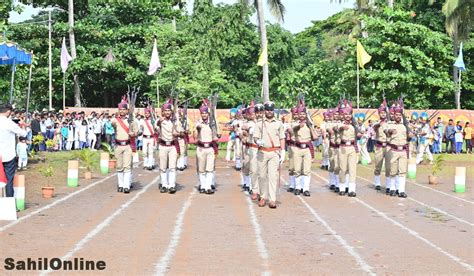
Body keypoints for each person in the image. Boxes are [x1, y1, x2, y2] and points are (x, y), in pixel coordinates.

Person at [253, 101, 285, 208]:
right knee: (262, 176)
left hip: (274, 152)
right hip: (262, 152)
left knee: (272, 176)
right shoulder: (259, 123)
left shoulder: (279, 123)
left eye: (271, 110)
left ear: (273, 111)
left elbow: (282, 138)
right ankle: (262, 196)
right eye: (267, 110)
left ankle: (272, 199)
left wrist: (283, 151)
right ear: (264, 111)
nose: (269, 112)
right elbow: (255, 137)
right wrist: (258, 141)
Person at [288, 102, 317, 196]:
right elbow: (292, 131)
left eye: (303, 114)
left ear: (306, 115)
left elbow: (315, 137)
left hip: (307, 148)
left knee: (307, 170)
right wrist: (298, 126)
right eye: (300, 114)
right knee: (297, 169)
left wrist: (310, 126)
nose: (301, 115)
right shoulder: (294, 123)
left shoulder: (309, 124)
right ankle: (297, 187)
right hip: (297, 148)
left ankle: (305, 189)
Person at [385, 100, 412, 198]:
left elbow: (409, 138)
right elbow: (386, 131)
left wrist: (410, 136)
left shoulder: (405, 126)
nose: (398, 116)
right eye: (396, 115)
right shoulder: (390, 124)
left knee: (402, 171)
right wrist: (390, 131)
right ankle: (392, 188)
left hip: (403, 151)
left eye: (399, 115)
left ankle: (401, 190)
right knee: (393, 171)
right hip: (394, 150)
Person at [0, 103, 27, 197]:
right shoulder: (9, 123)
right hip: (8, 155)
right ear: (8, 112)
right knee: (9, 180)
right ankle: (9, 203)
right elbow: (23, 133)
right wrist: (23, 125)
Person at [112, 97, 139, 193]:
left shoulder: (132, 121)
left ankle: (126, 186)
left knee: (127, 166)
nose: (122, 111)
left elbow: (137, 132)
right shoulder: (115, 120)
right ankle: (120, 184)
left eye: (124, 109)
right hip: (118, 145)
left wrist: (134, 134)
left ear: (127, 110)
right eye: (120, 109)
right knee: (119, 166)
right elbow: (113, 127)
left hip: (128, 145)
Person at [335, 100, 360, 197]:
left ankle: (351, 189)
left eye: (349, 114)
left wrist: (360, 134)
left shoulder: (354, 125)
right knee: (343, 168)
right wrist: (342, 128)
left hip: (352, 148)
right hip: (343, 148)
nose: (348, 116)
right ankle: (342, 187)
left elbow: (358, 134)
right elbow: (337, 129)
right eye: (346, 114)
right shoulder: (340, 123)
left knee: (352, 169)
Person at [194, 99, 219, 194]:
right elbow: (195, 136)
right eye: (202, 113)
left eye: (205, 113)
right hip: (201, 148)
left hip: (210, 148)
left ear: (208, 113)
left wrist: (216, 135)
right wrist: (197, 129)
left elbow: (218, 134)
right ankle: (203, 186)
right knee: (201, 168)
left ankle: (208, 186)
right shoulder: (198, 123)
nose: (204, 115)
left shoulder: (213, 123)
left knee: (210, 168)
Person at [157, 100, 181, 194]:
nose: (167, 112)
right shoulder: (159, 121)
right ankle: (164, 185)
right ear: (163, 112)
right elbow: (156, 130)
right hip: (163, 145)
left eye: (169, 111)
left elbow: (181, 133)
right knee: (163, 167)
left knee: (172, 167)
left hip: (172, 146)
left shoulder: (175, 121)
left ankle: (171, 185)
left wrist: (178, 133)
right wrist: (159, 122)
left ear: (171, 112)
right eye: (165, 111)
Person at [372, 100, 392, 192]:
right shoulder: (376, 122)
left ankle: (388, 185)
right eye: (381, 113)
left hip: (388, 146)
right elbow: (374, 127)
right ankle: (377, 183)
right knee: (378, 166)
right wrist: (380, 124)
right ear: (379, 114)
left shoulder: (390, 123)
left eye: (384, 112)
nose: (383, 114)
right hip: (379, 146)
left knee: (389, 167)